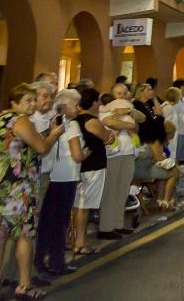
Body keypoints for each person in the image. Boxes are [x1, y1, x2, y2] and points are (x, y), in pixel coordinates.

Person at [0, 83, 64, 301]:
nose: (33, 104)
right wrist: (53, 134)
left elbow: (11, 143)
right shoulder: (20, 120)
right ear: (14, 103)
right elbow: (41, 148)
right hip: (15, 189)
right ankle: (24, 285)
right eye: (28, 100)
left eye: (34, 100)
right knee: (24, 236)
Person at [33, 89, 84, 276]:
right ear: (64, 107)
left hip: (52, 176)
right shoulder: (71, 126)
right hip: (67, 177)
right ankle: (57, 261)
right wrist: (87, 153)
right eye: (75, 104)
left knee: (46, 222)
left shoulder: (50, 123)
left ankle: (39, 259)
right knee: (60, 222)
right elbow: (77, 154)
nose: (78, 108)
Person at [97, 84, 143, 240]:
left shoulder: (129, 109)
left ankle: (118, 223)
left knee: (123, 189)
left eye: (124, 93)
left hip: (128, 151)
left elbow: (141, 119)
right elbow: (111, 123)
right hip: (113, 154)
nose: (122, 96)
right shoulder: (104, 109)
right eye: (118, 93)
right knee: (111, 190)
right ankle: (105, 227)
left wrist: (129, 112)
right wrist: (129, 125)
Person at [72, 88, 113, 256]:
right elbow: (108, 137)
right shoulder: (91, 121)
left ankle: (77, 241)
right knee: (84, 206)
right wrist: (108, 135)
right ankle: (80, 243)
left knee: (78, 205)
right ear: (94, 102)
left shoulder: (75, 120)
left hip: (79, 167)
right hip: (93, 167)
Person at [133, 115, 182, 210]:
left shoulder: (143, 138)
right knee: (175, 173)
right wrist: (176, 166)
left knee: (164, 173)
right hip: (143, 171)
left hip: (137, 169)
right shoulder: (153, 140)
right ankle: (166, 201)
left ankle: (160, 199)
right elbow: (160, 159)